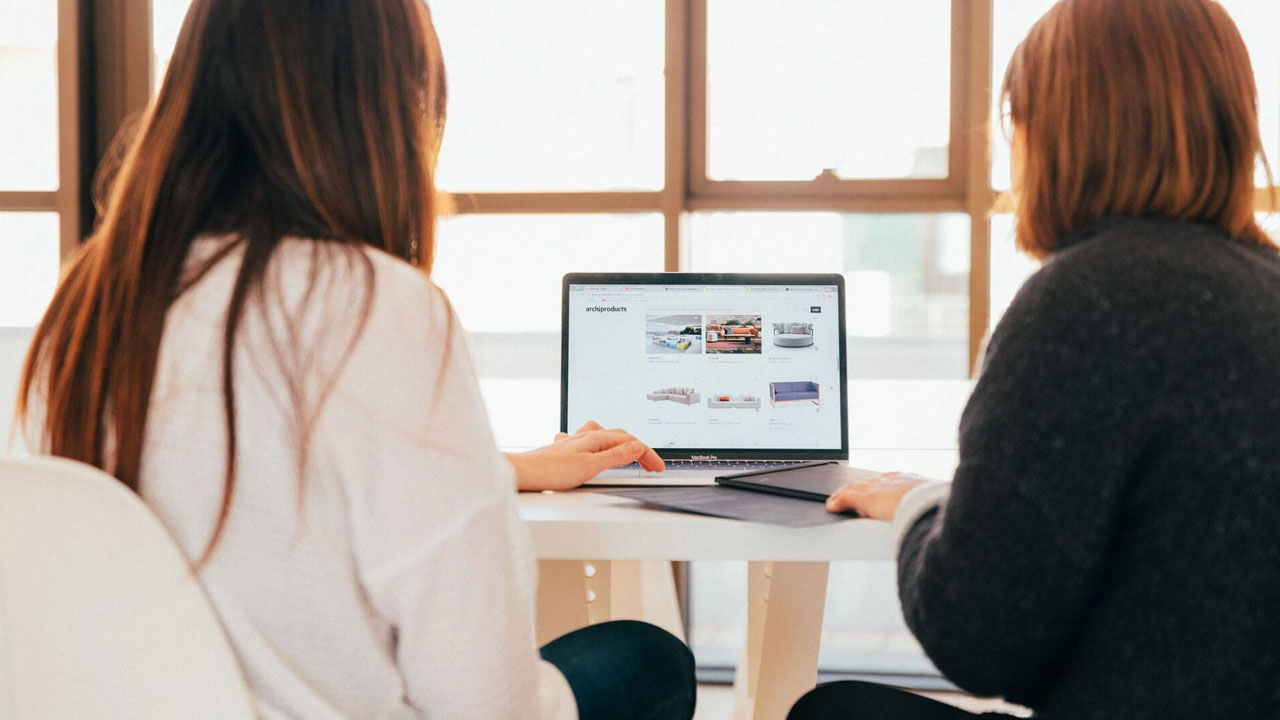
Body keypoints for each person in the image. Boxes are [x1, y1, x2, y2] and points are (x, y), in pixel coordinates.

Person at [14, 1, 693, 719]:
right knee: (650, 659)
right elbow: (483, 701)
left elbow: (250, 484)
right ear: (388, 107)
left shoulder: (88, 304)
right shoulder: (375, 305)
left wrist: (504, 469)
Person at [792, 1, 1280, 718]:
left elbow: (978, 638)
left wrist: (922, 507)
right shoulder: (1266, 284)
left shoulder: (1086, 301)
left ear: (1054, 132)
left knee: (831, 712)